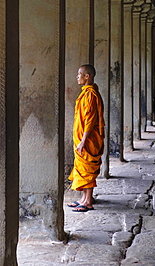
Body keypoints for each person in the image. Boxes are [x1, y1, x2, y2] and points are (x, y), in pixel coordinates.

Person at [68, 64, 105, 212]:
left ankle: (88, 201)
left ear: (87, 76)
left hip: (88, 139)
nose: (77, 77)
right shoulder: (86, 92)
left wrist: (83, 141)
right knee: (82, 168)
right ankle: (83, 198)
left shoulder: (90, 94)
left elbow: (90, 120)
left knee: (87, 168)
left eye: (79, 74)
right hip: (83, 138)